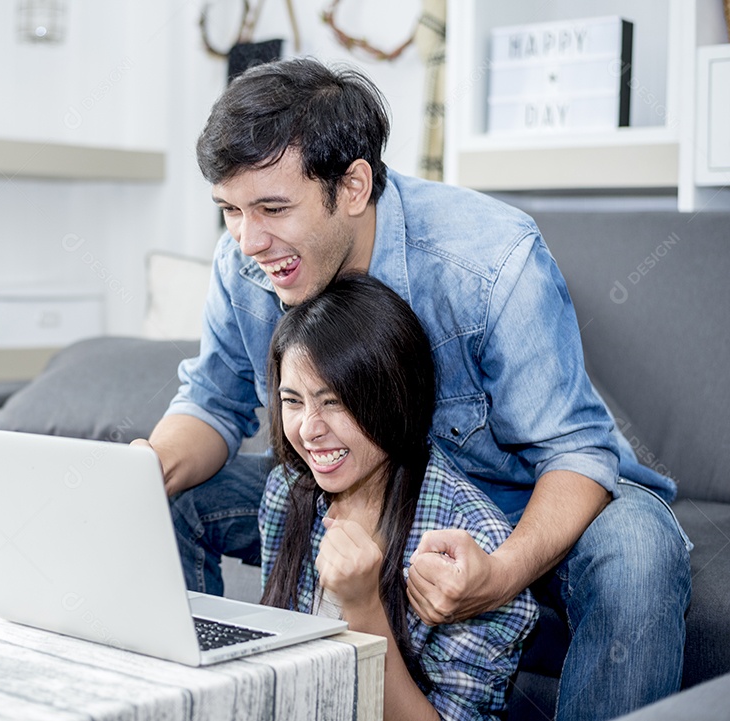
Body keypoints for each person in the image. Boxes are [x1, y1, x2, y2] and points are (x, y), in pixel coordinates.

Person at [137, 56, 691, 721]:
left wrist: (499, 572)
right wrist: (140, 472)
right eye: (230, 210)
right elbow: (212, 402)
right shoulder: (248, 262)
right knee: (171, 496)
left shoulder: (490, 261)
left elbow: (574, 451)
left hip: (521, 494)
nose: (248, 239)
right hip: (366, 482)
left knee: (638, 550)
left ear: (353, 185)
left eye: (272, 208)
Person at [261, 273, 537, 720]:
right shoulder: (286, 495)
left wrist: (363, 605)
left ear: (394, 396)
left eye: (333, 402)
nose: (309, 430)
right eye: (293, 401)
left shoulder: (473, 549)